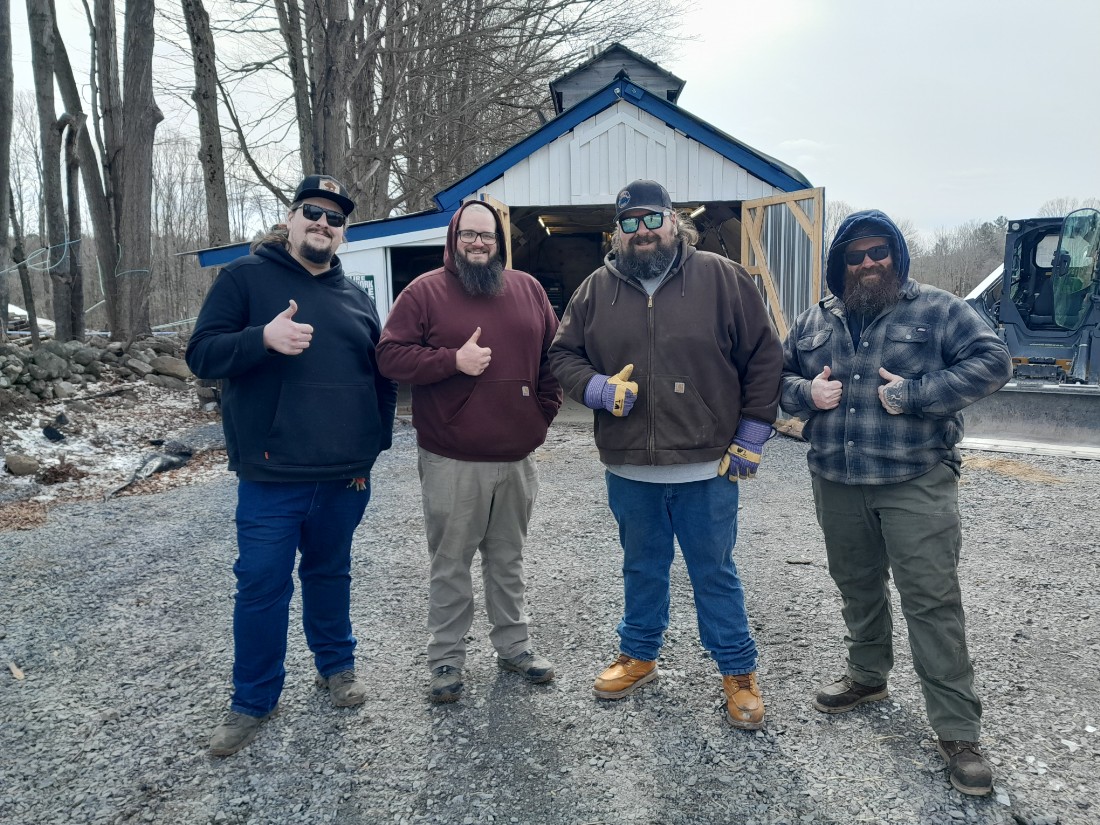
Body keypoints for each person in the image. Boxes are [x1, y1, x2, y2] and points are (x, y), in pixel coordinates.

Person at [779, 209, 1012, 795]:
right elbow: (772, 377)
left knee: (931, 600)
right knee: (856, 584)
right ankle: (867, 676)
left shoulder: (938, 308)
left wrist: (915, 394)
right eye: (855, 255)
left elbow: (993, 362)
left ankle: (958, 732)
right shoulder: (814, 320)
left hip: (915, 479)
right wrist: (807, 391)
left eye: (878, 251)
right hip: (836, 478)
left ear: (897, 256)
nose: (867, 263)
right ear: (839, 264)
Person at [548, 179, 782, 730]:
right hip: (629, 466)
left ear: (674, 221)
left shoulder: (721, 279)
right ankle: (640, 655)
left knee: (714, 572)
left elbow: (764, 357)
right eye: (630, 223)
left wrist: (752, 434)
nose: (643, 231)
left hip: (709, 467)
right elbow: (562, 356)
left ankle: (738, 671)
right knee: (641, 568)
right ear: (618, 231)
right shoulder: (595, 290)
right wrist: (598, 388)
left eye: (652, 219)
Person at [186, 174, 397, 756]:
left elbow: (379, 378)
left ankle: (337, 667)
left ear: (343, 231)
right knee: (260, 585)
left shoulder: (356, 297)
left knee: (330, 573)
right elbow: (202, 355)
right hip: (271, 475)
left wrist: (373, 445)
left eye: (335, 218)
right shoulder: (245, 280)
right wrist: (261, 339)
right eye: (313, 212)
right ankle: (253, 700)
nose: (323, 224)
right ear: (292, 216)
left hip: (343, 476)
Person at [376, 200, 562, 703]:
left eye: (487, 235)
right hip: (452, 458)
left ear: (499, 241)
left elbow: (553, 356)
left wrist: (541, 414)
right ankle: (446, 660)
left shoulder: (527, 289)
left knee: (508, 558)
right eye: (468, 235)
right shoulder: (425, 292)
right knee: (451, 561)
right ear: (453, 239)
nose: (478, 243)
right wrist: (451, 361)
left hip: (516, 457)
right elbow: (389, 356)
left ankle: (515, 646)